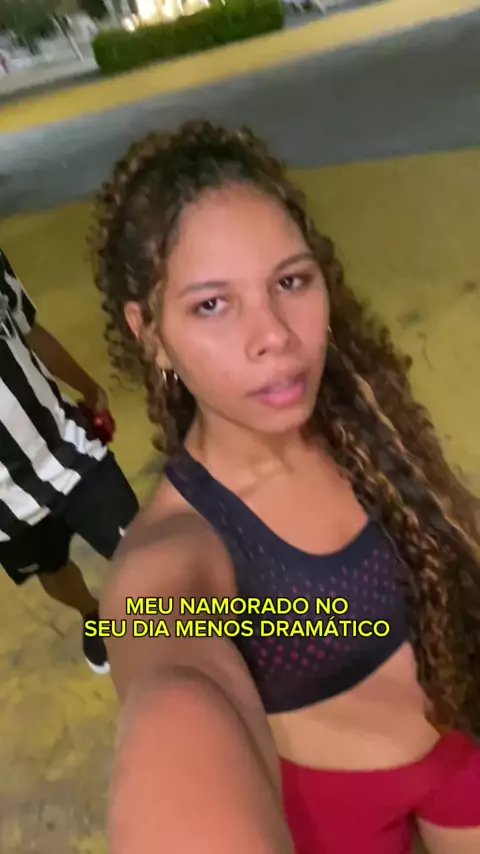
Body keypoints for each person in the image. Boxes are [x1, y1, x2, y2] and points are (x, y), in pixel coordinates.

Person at [92, 121, 480, 853]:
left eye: (290, 282)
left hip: (462, 748)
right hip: (339, 820)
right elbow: (171, 678)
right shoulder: (171, 559)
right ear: (150, 333)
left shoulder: (366, 421)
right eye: (212, 304)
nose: (275, 333)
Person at [0, 249, 139, 675]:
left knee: (144, 556)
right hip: (7, 505)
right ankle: (93, 613)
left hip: (68, 448)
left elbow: (27, 328)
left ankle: (207, 639)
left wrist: (89, 387)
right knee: (53, 571)